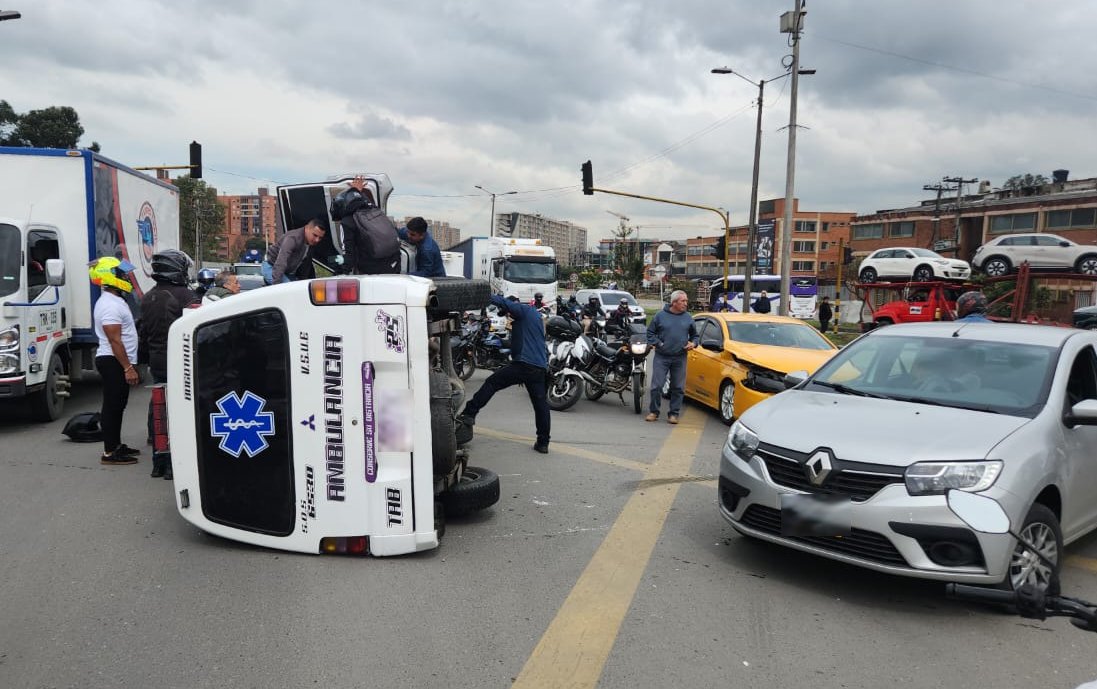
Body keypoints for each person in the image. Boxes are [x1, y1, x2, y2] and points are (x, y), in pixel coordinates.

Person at [457, 295, 551, 454]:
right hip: (538, 368)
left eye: (508, 313)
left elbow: (504, 303)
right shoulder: (533, 317)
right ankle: (543, 443)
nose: (508, 315)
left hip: (524, 364)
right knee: (541, 406)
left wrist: (485, 294)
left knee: (492, 383)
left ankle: (469, 413)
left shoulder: (523, 310)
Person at [138, 250, 200, 478]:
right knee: (181, 411)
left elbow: (143, 334)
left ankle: (158, 459)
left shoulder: (148, 297)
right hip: (181, 361)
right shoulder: (185, 296)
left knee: (158, 408)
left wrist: (141, 361)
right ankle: (176, 463)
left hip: (157, 362)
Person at [89, 257, 142, 465]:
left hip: (115, 361)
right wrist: (128, 367)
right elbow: (114, 340)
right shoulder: (109, 305)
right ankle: (110, 452)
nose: (126, 276)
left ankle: (116, 444)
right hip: (113, 361)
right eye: (122, 273)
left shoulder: (115, 300)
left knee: (118, 404)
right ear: (111, 277)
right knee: (112, 406)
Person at [646, 290, 699, 424]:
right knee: (656, 386)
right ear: (674, 302)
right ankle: (654, 412)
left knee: (678, 387)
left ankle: (674, 414)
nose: (686, 304)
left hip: (680, 358)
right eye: (683, 301)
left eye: (686, 301)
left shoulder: (688, 318)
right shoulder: (660, 316)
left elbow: (695, 336)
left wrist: (693, 343)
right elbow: (650, 333)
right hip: (662, 357)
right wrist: (659, 343)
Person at [332, 176, 400, 275]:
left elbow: (348, 255)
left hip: (372, 271)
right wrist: (357, 191)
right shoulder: (373, 209)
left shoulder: (347, 221)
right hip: (394, 264)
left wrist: (341, 275)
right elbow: (359, 200)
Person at [263, 218, 325, 284]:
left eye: (320, 237)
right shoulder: (292, 238)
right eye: (315, 235)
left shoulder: (311, 243)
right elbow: (281, 261)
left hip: (288, 272)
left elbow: (307, 266)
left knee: (300, 289)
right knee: (288, 289)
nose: (317, 240)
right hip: (271, 267)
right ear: (307, 228)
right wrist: (277, 285)